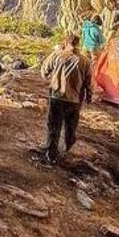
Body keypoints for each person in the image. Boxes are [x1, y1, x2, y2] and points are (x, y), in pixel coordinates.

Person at [39, 33, 92, 164]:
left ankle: (51, 154)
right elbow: (89, 82)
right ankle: (67, 148)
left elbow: (44, 70)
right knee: (70, 126)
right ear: (78, 44)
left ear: (65, 42)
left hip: (57, 96)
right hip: (75, 99)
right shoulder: (85, 61)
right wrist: (89, 96)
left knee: (54, 125)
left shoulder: (57, 55)